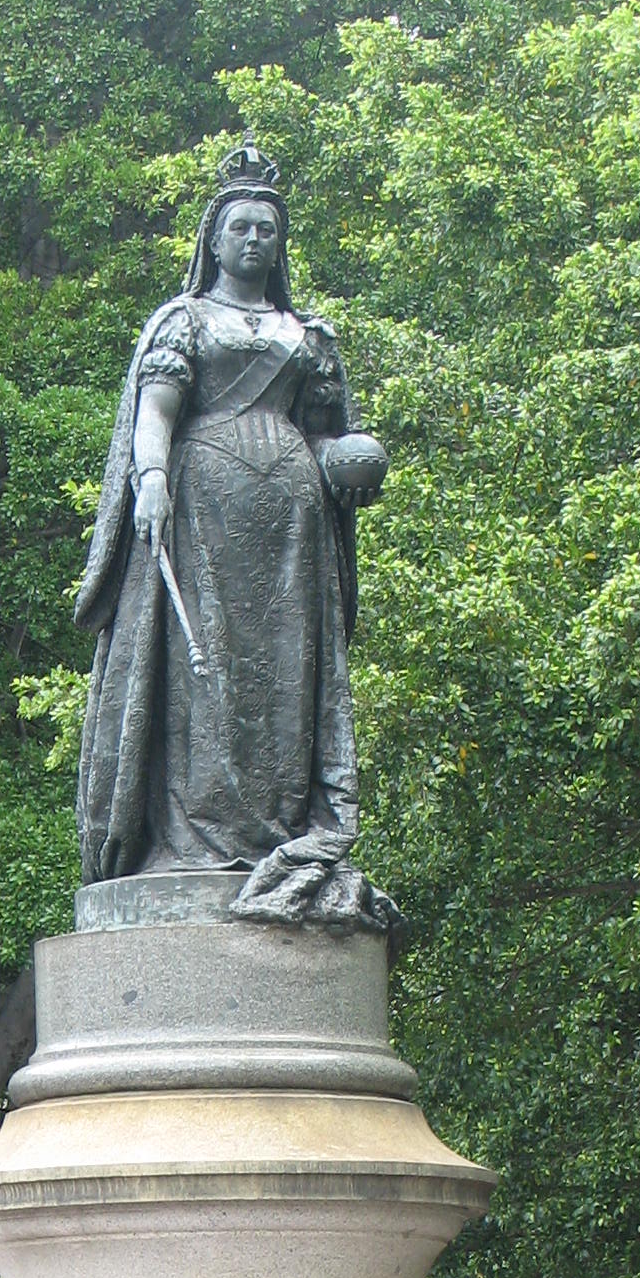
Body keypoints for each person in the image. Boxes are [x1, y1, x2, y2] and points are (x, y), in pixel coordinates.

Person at [74, 142, 394, 931]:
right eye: (241, 228)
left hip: (291, 524)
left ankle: (278, 832)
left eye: (267, 231)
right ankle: (188, 838)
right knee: (202, 672)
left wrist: (346, 461)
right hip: (202, 515)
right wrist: (150, 481)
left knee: (283, 677)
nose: (255, 240)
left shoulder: (306, 334)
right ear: (214, 241)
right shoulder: (185, 322)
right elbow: (156, 412)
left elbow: (321, 432)